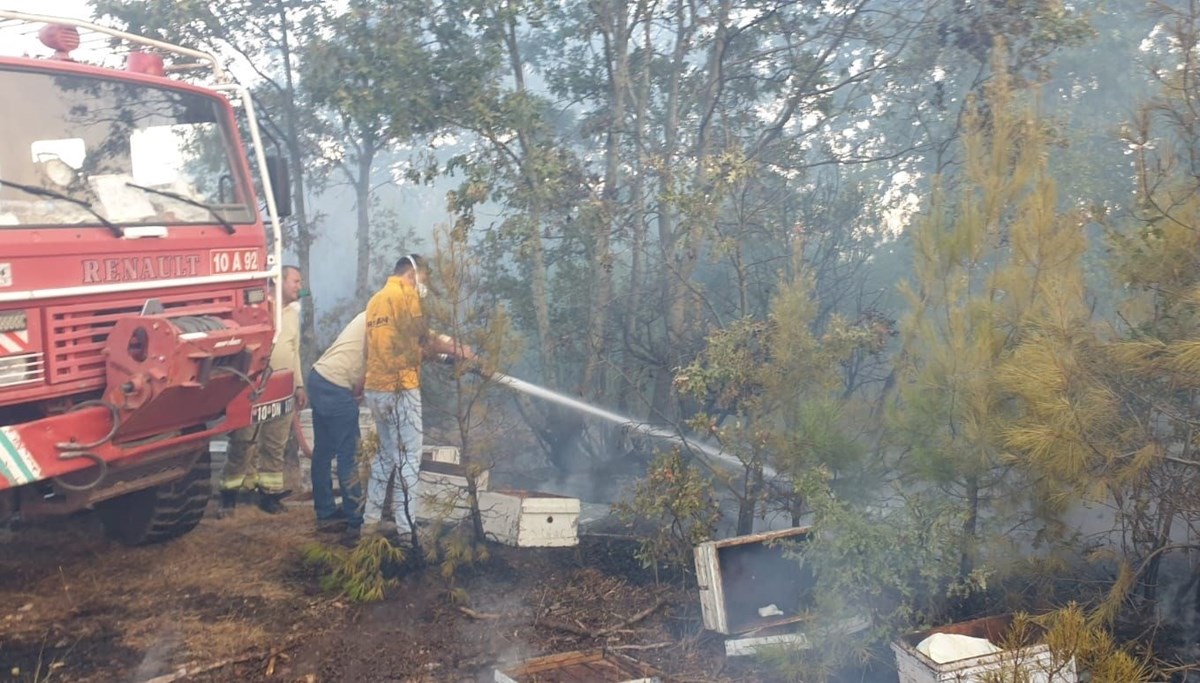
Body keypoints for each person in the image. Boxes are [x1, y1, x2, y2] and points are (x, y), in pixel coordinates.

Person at [360, 254, 474, 542]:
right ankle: (408, 531)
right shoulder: (407, 296)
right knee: (409, 459)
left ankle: (369, 523)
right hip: (402, 388)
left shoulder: (375, 301)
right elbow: (424, 339)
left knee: (386, 456)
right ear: (412, 274)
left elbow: (372, 346)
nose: (424, 285)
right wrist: (460, 352)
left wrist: (442, 356)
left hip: (375, 387)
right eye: (423, 278)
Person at [218, 265, 308, 516]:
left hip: (283, 389)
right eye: (296, 281)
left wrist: (298, 385)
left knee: (275, 444)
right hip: (252, 387)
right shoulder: (257, 310)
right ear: (278, 283)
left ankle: (269, 497)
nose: (299, 287)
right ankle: (229, 497)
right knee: (243, 442)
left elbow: (294, 351)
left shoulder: (292, 314)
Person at [307, 311, 367, 539]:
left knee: (323, 450)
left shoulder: (365, 315)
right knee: (348, 452)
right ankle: (355, 520)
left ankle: (325, 513)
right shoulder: (383, 318)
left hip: (319, 376)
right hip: (337, 385)